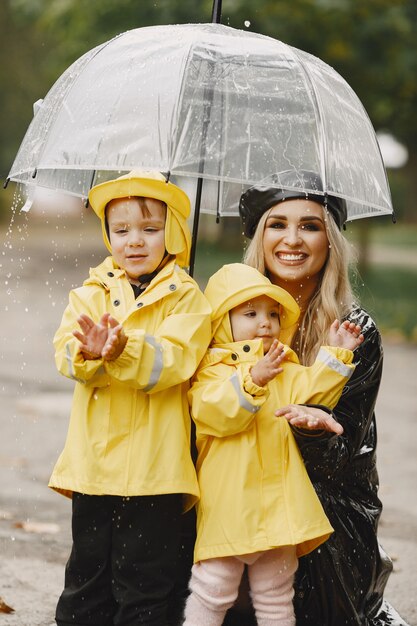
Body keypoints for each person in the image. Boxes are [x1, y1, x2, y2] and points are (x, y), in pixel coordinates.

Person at [223, 169, 410, 625]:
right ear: (258, 239)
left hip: (325, 506)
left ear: (332, 242)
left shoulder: (353, 331)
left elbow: (342, 458)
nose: (293, 239)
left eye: (310, 225)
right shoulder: (227, 322)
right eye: (277, 224)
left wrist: (311, 427)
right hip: (239, 494)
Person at [48, 170, 211, 626]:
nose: (134, 241)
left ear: (174, 233)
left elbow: (176, 361)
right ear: (107, 235)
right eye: (121, 231)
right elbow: (65, 355)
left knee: (146, 582)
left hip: (156, 473)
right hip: (94, 466)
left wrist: (124, 349)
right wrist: (88, 351)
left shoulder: (187, 300)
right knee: (87, 577)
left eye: (150, 229)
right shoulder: (89, 294)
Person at [183, 262, 364, 626]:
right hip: (230, 503)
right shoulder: (210, 373)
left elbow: (316, 390)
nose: (265, 323)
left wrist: (338, 354)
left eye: (272, 314)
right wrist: (251, 380)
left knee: (277, 594)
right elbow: (214, 413)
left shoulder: (284, 367)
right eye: (250, 313)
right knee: (213, 587)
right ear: (221, 323)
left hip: (281, 506)